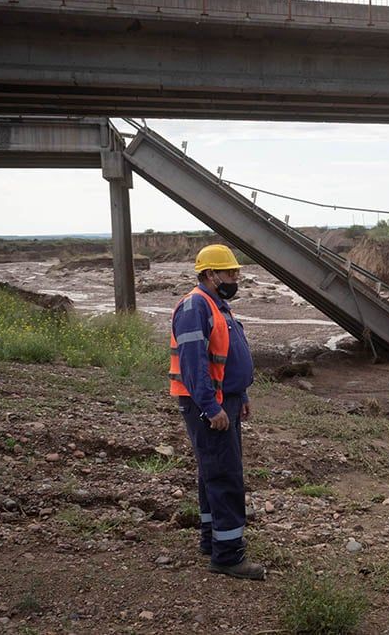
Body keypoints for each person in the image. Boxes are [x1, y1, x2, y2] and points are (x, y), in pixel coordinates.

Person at [169, 244, 264, 580]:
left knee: (213, 472)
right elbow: (194, 364)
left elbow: (226, 356)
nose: (236, 277)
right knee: (225, 476)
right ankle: (227, 556)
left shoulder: (217, 305)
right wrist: (211, 407)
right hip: (209, 403)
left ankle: (212, 541)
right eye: (230, 273)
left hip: (227, 399)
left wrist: (241, 394)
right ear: (209, 274)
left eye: (236, 272)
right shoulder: (196, 306)